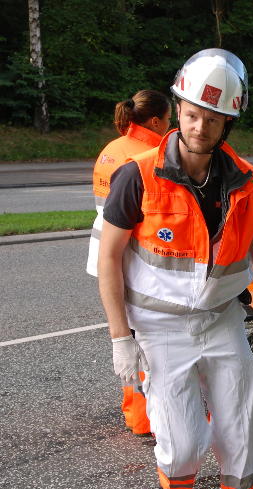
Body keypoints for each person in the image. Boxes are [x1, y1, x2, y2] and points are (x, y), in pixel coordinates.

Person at [97, 48, 253, 489]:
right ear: (178, 111)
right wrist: (120, 338)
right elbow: (108, 258)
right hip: (160, 326)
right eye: (192, 115)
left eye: (212, 119)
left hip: (222, 319)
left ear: (228, 122)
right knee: (183, 444)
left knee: (242, 437)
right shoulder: (138, 177)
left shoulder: (245, 180)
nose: (199, 127)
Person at [86, 89, 171, 436]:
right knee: (149, 337)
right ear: (155, 121)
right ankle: (149, 415)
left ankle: (137, 415)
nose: (170, 127)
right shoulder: (148, 155)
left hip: (107, 253)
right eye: (168, 120)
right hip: (134, 256)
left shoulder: (112, 148)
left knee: (132, 336)